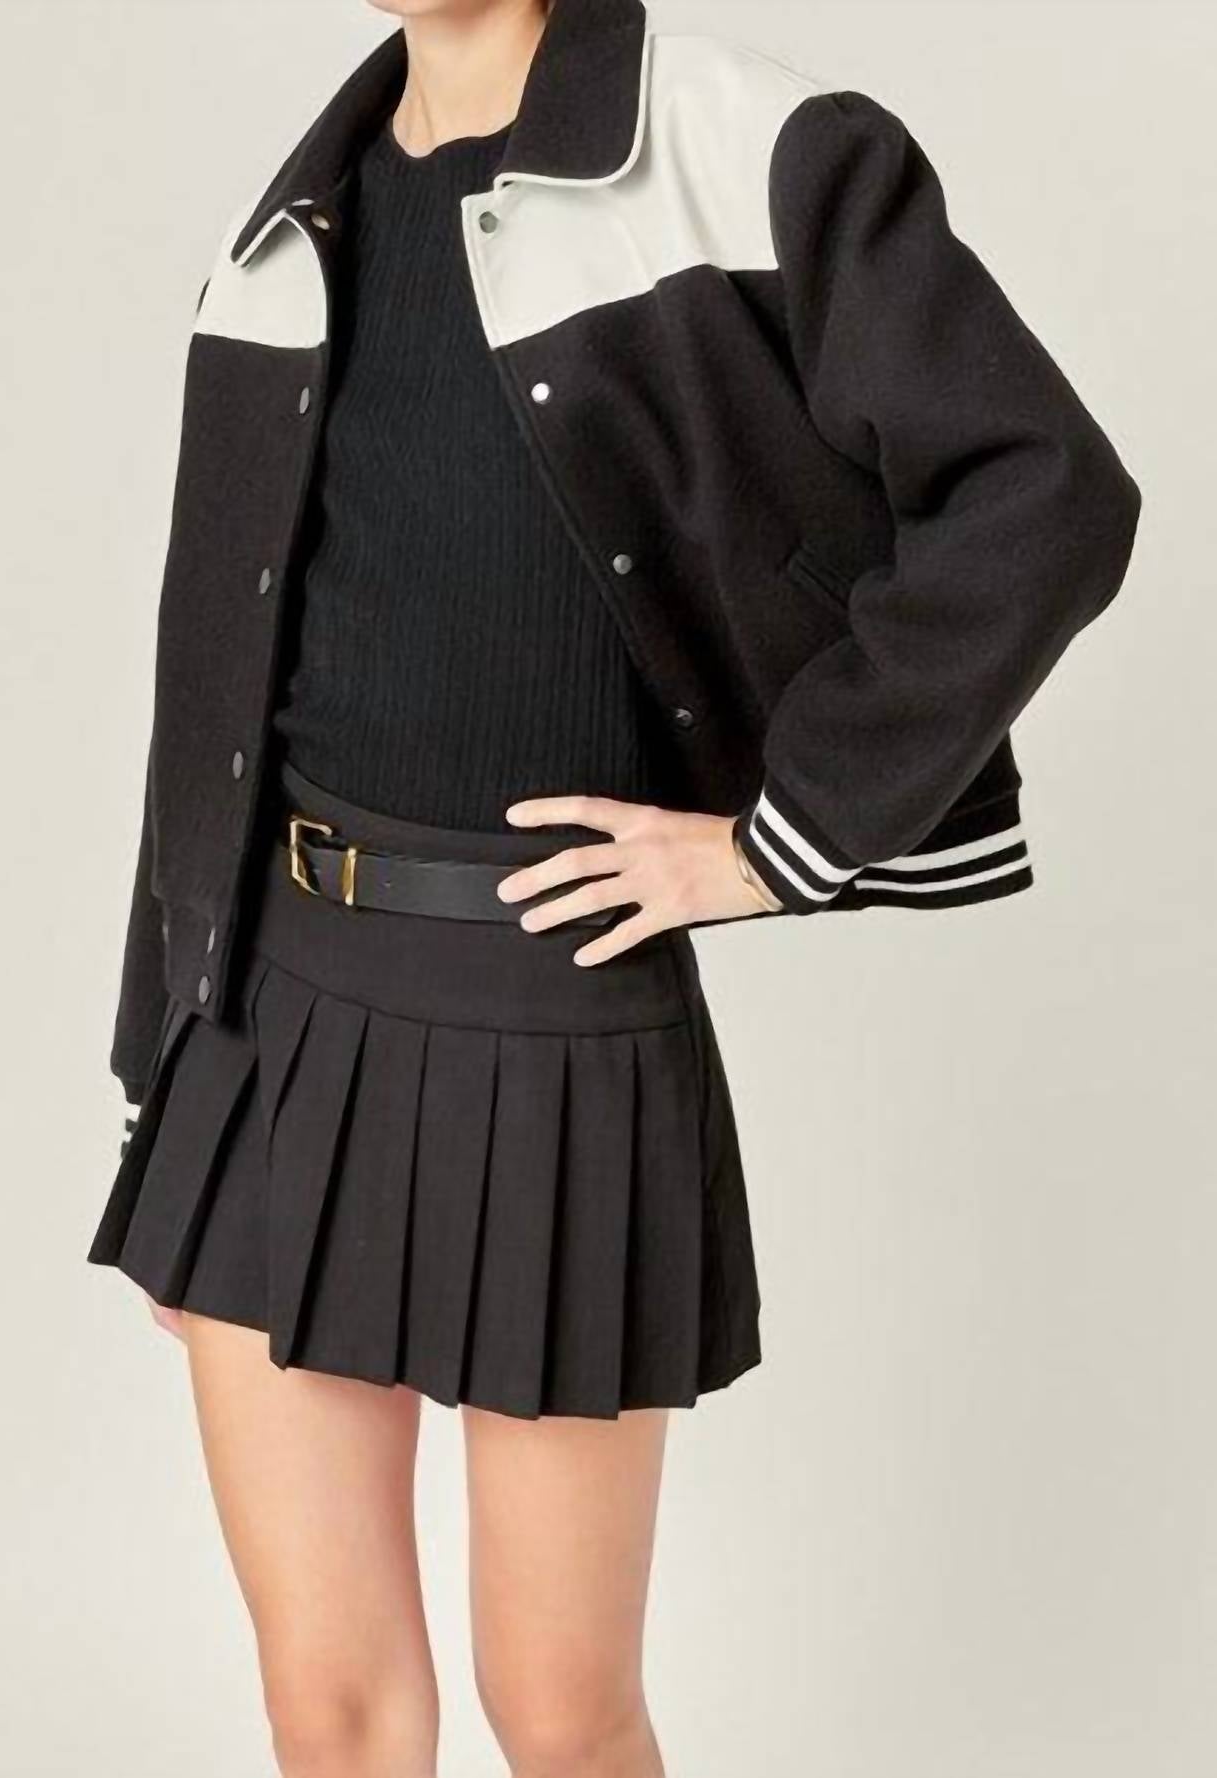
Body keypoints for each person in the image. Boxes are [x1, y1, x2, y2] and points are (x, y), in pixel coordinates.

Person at [87, 1, 1141, 1771]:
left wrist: (777, 838)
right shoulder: (299, 219)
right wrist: (167, 1045)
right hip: (269, 1011)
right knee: (327, 1708)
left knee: (562, 1713)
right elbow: (217, 674)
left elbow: (1050, 495)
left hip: (551, 1005)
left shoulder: (747, 145)